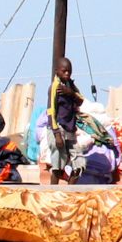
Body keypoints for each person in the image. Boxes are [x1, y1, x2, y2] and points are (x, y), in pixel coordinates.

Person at [44, 56, 82, 185]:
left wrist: (70, 92)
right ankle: (53, 192)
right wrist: (56, 134)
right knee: (57, 164)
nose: (67, 74)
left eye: (69, 71)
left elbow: (80, 100)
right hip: (58, 128)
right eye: (64, 71)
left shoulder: (70, 85)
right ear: (57, 71)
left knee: (79, 164)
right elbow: (51, 111)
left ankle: (69, 191)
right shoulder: (55, 87)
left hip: (70, 128)